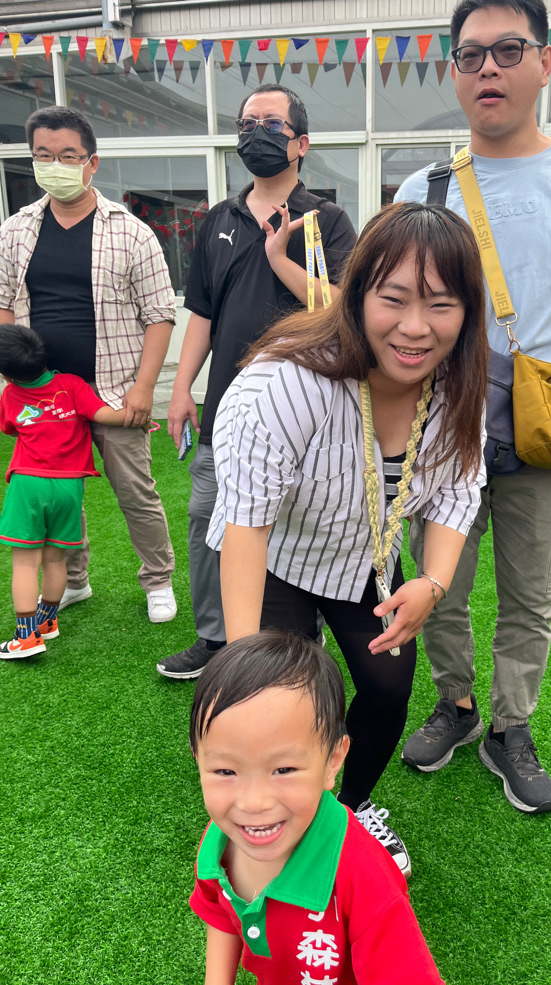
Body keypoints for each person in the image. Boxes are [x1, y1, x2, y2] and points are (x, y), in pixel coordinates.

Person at [396, 0, 551, 813]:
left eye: (509, 50)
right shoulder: (423, 187)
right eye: (470, 55)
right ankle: (456, 703)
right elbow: (393, 318)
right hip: (442, 426)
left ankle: (511, 727)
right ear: (453, 72)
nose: (489, 69)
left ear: (546, 62)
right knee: (438, 584)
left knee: (530, 593)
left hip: (546, 425)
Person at [207, 201, 488, 874]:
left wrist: (433, 582)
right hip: (275, 558)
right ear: (356, 293)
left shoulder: (460, 387)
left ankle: (349, 806)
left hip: (367, 562)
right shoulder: (282, 384)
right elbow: (247, 525)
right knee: (279, 698)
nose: (415, 328)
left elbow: (458, 491)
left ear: (467, 313)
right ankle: (277, 813)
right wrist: (242, 669)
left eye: (441, 305)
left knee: (388, 687)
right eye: (394, 299)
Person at [157, 85, 356, 680]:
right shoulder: (219, 218)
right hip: (226, 409)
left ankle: (295, 641)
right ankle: (217, 639)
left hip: (304, 415)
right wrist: (182, 389)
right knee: (208, 521)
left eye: (270, 124)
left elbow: (342, 306)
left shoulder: (326, 220)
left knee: (293, 529)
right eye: (246, 124)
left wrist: (280, 261)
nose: (255, 134)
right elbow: (202, 313)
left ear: (301, 143)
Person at [189, 631, 452, 985]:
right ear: (198, 759)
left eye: (284, 769)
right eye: (225, 771)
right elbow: (218, 913)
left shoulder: (362, 875)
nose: (253, 803)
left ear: (333, 761)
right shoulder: (218, 843)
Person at [0, 106, 177, 624]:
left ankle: (158, 580)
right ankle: (74, 581)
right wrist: (11, 368)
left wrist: (144, 386)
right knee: (61, 494)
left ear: (91, 162)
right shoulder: (15, 230)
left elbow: (159, 314)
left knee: (136, 493)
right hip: (41, 393)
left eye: (67, 156)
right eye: (43, 155)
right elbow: (4, 304)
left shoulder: (132, 232)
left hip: (114, 389)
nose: (55, 165)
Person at [0, 325, 145, 658]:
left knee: (25, 563)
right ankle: (47, 622)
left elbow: (9, 427)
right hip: (70, 486)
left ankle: (26, 638)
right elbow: (103, 414)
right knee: (55, 557)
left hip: (28, 484)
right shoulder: (73, 384)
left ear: (7, 375)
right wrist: (133, 417)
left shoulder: (10, 396)